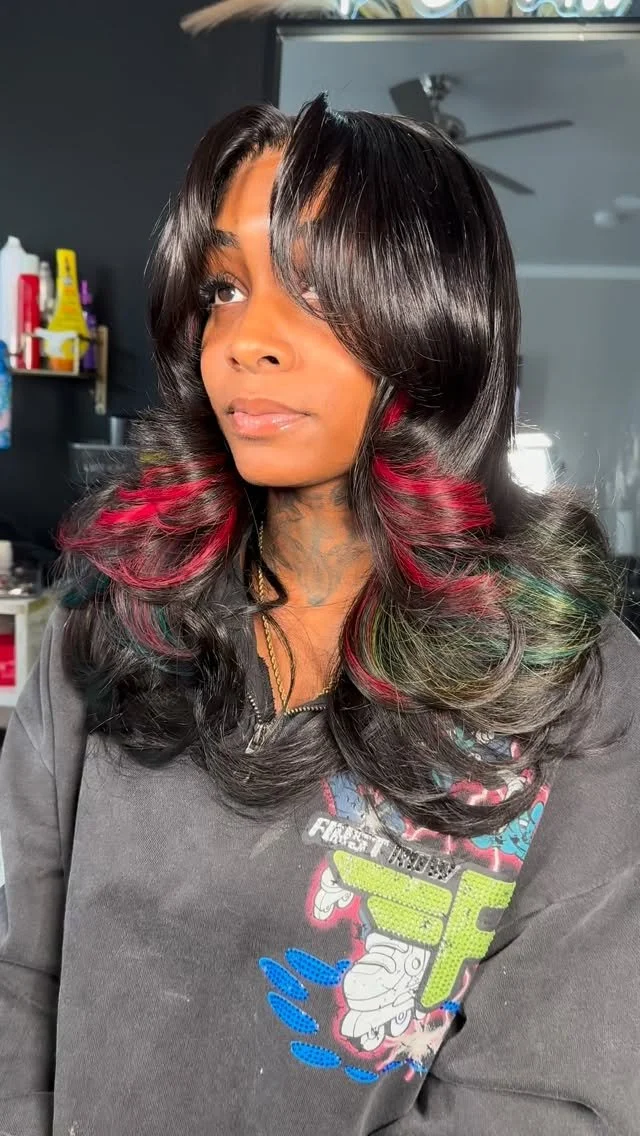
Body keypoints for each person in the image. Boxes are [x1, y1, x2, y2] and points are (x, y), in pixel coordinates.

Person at [1, 94, 638, 1136]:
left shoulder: (583, 696)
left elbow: (549, 1103)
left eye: (314, 291)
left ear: (431, 318)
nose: (246, 340)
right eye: (224, 288)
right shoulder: (108, 628)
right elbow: (19, 980)